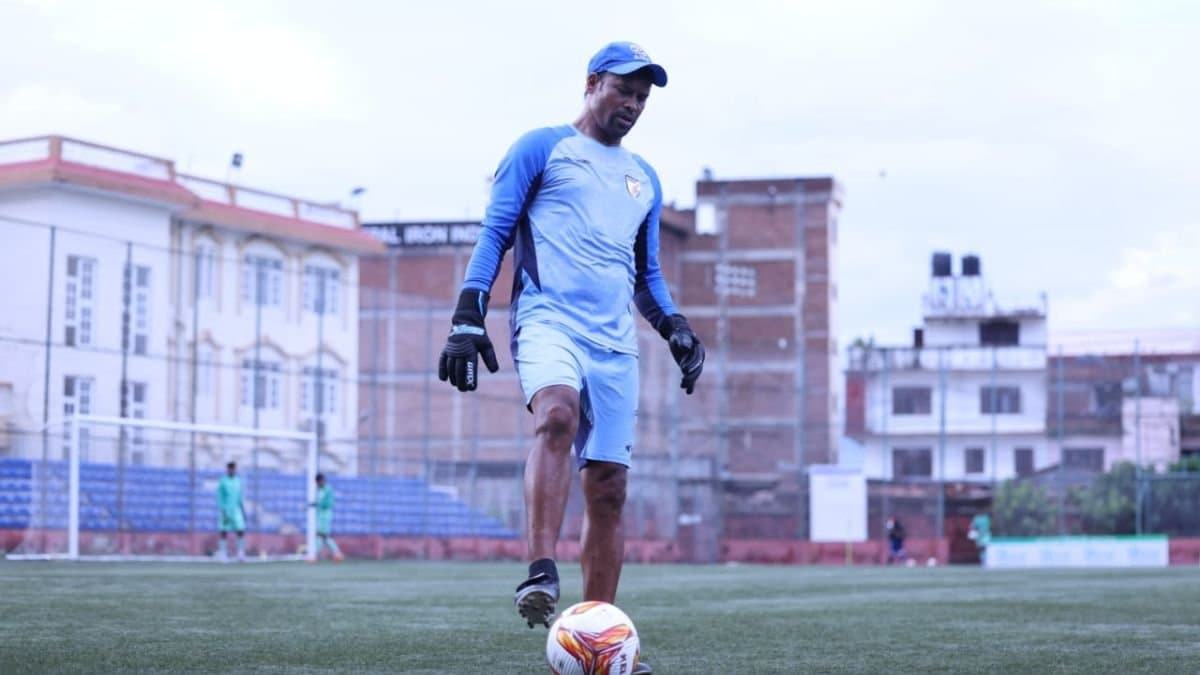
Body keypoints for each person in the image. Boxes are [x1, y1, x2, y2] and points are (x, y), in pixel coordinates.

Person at [437, 41, 703, 675]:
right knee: (556, 416)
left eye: (643, 96)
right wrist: (467, 312)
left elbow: (645, 273)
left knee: (609, 487)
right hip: (548, 319)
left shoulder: (645, 177)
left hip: (616, 345)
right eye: (624, 90)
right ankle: (539, 571)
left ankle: (600, 638)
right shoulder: (540, 147)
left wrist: (675, 327)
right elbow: (496, 232)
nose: (634, 104)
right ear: (592, 83)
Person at [309, 473, 344, 562]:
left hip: (326, 514)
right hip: (320, 514)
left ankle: (315, 556)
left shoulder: (327, 489)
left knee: (321, 535)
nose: (318, 484)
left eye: (318, 482)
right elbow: (318, 502)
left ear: (321, 481)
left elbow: (326, 503)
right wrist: (312, 504)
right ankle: (337, 554)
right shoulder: (320, 490)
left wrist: (316, 504)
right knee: (323, 536)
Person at [216, 461, 246, 562]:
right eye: (231, 469)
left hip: (237, 510)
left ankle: (240, 553)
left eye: (234, 469)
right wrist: (222, 509)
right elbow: (219, 496)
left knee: (241, 530)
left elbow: (240, 496)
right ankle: (223, 554)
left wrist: (242, 509)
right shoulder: (223, 481)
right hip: (226, 510)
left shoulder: (238, 481)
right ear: (228, 469)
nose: (232, 470)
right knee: (224, 531)